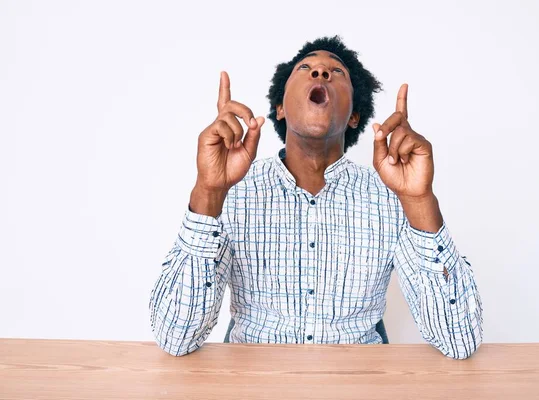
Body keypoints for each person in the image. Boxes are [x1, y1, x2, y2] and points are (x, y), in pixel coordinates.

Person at [149, 36, 483, 359]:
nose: (320, 72)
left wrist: (420, 199)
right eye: (305, 67)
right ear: (280, 107)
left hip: (359, 386)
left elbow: (460, 340)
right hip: (252, 385)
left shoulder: (391, 195)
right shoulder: (232, 191)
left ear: (355, 115)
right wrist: (209, 190)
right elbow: (175, 337)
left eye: (336, 72)